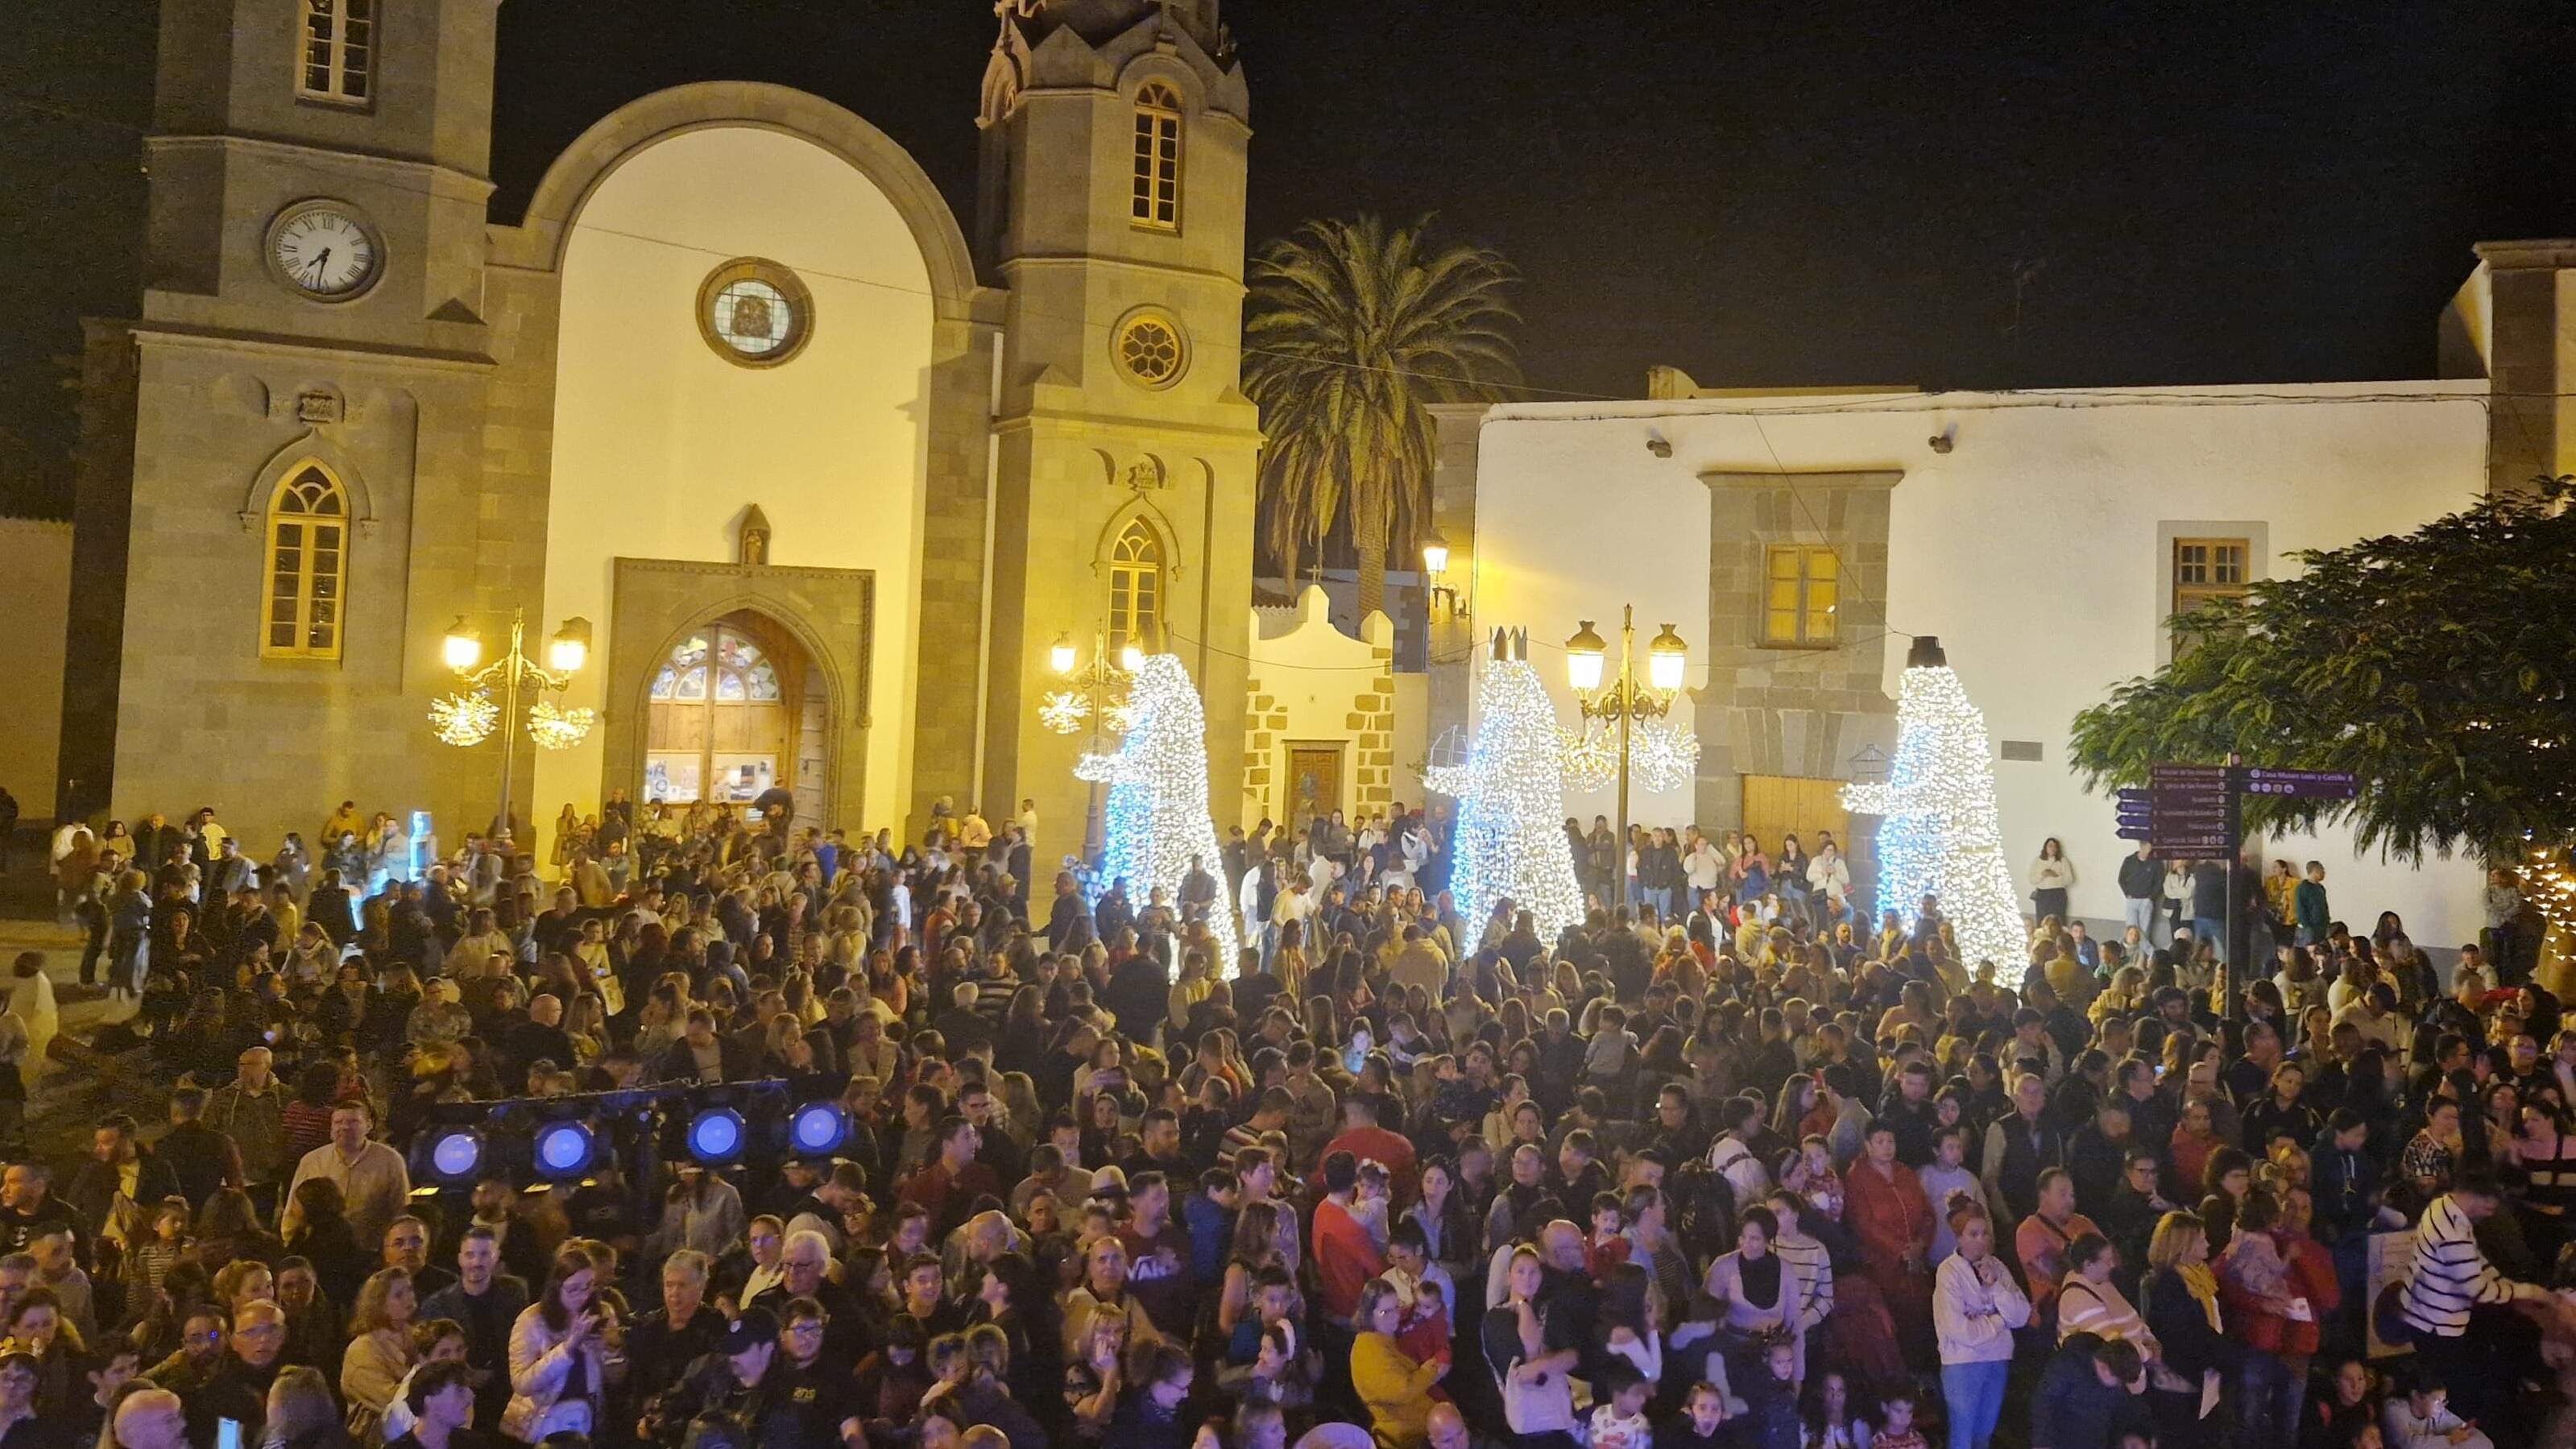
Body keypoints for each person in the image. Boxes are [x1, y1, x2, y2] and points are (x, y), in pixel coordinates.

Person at [1932, 1193, 2028, 1449]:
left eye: (1984, 1233)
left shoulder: (1997, 1266)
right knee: (1962, 1435)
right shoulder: (1948, 1272)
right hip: (1963, 1362)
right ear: (1959, 1237)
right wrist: (1999, 1321)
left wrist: (1995, 1287)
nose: (1982, 1240)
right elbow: (1960, 1330)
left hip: (1996, 1358)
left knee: (1984, 1434)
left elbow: (2021, 1315)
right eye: (1973, 1234)